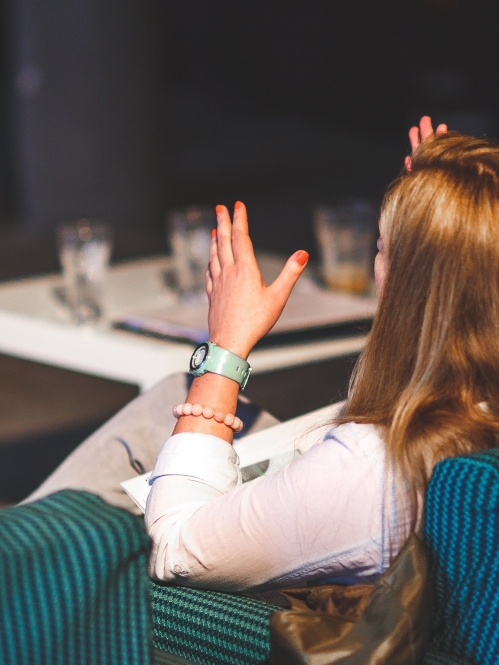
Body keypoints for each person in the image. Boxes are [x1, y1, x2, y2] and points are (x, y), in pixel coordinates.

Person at [28, 116, 499, 594]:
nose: (379, 265)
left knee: (105, 503)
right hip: (345, 495)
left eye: (382, 248)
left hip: (265, 598)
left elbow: (175, 549)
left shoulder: (372, 469)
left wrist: (225, 350)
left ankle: (18, 574)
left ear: (416, 285)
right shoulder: (473, 399)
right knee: (166, 402)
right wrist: (450, 206)